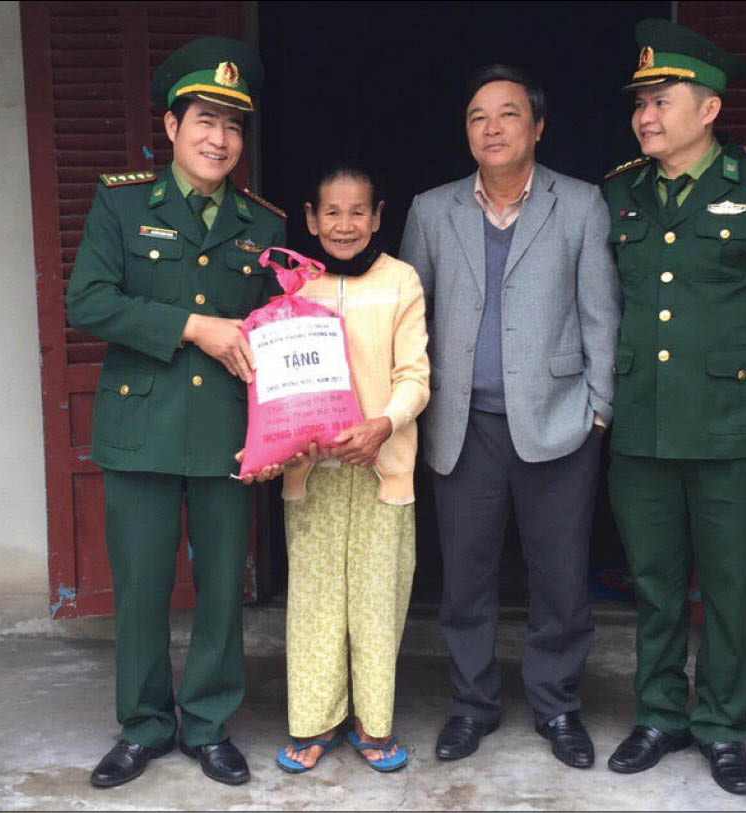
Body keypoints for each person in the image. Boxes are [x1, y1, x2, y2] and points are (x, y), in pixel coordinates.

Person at [602, 19, 746, 795]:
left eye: (661, 101)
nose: (645, 116)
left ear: (708, 108)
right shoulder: (619, 190)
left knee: (728, 588)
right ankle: (659, 714)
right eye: (639, 103)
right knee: (654, 584)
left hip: (733, 428)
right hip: (643, 425)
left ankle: (723, 724)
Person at [66, 36, 287, 788]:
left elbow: (275, 334)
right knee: (141, 589)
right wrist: (194, 326)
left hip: (226, 432)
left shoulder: (263, 225)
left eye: (233, 125)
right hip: (140, 428)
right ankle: (143, 725)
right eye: (204, 120)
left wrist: (281, 430)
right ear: (171, 126)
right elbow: (89, 301)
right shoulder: (123, 202)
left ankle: (208, 724)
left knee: (223, 587)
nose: (219, 139)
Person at [399, 65, 620, 768]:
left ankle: (556, 705)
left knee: (560, 577)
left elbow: (601, 314)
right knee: (465, 577)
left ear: (538, 127)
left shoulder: (579, 203)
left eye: (507, 114)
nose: (491, 128)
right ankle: (472, 704)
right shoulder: (431, 210)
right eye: (477, 117)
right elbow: (408, 319)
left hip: (559, 422)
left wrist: (600, 409)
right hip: (462, 427)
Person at [244, 164, 430, 774]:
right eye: (331, 212)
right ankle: (316, 720)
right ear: (310, 217)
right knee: (315, 603)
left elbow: (416, 377)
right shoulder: (294, 287)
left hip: (383, 466)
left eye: (357, 212)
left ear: (377, 217)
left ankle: (374, 723)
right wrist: (285, 444)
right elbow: (276, 383)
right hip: (311, 472)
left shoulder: (400, 280)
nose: (344, 225)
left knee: (377, 603)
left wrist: (383, 425)